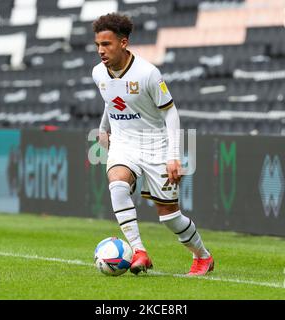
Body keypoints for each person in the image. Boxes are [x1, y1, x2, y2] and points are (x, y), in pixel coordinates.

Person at [91, 13, 214, 276]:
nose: (101, 50)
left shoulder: (148, 73)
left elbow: (171, 112)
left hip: (155, 146)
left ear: (123, 43)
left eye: (107, 44)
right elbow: (111, 100)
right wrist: (103, 129)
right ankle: (139, 251)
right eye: (98, 45)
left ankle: (202, 256)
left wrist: (174, 156)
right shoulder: (98, 73)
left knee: (169, 216)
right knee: (117, 184)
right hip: (123, 144)